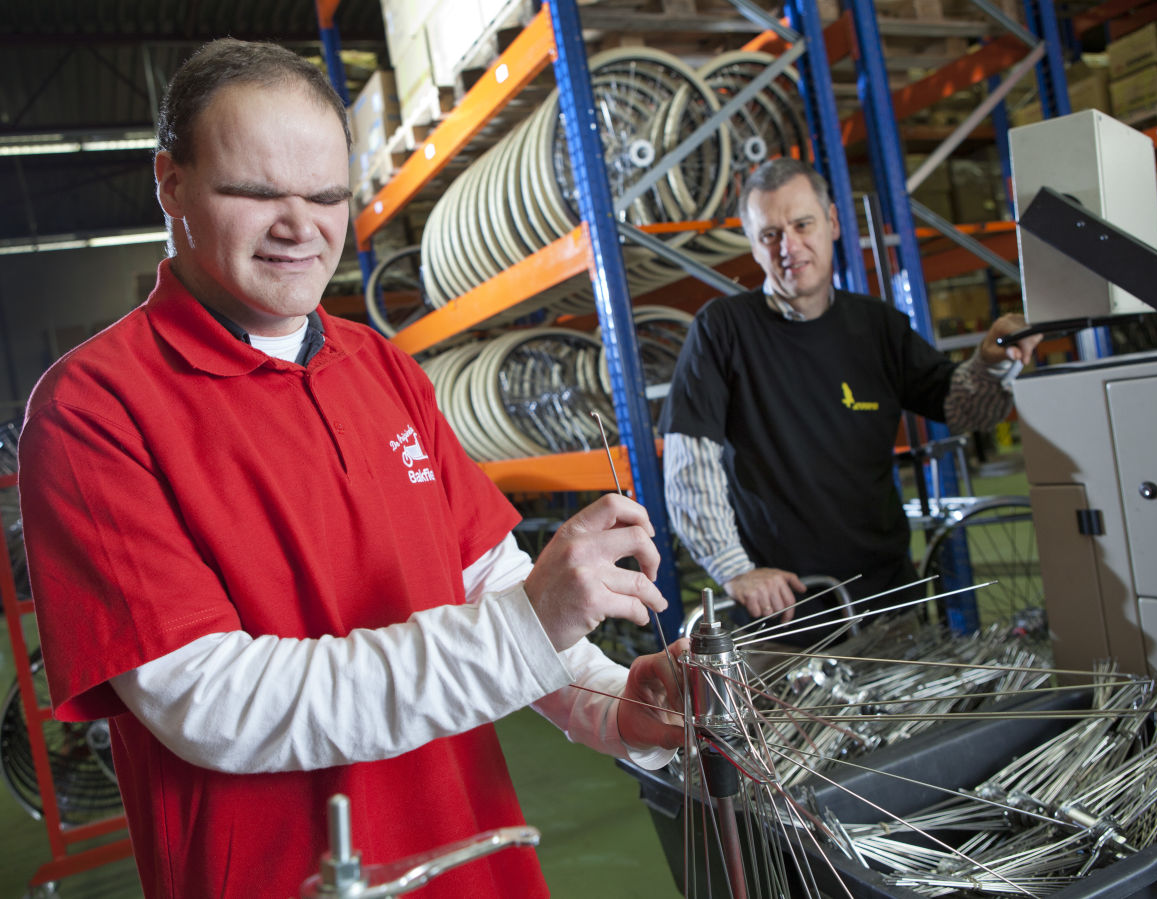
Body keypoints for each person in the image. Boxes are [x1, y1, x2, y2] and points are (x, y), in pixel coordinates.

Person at [17, 39, 687, 899]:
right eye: (255, 192)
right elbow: (214, 704)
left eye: (328, 194)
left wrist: (611, 703)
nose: (302, 226)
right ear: (170, 183)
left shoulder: (378, 365)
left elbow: (488, 581)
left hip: (472, 862)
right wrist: (526, 626)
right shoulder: (93, 412)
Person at [659, 157, 1042, 629]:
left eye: (803, 225)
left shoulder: (877, 326)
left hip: (888, 600)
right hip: (784, 612)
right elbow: (689, 459)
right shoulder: (723, 330)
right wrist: (734, 569)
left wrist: (992, 361)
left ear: (833, 223)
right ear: (755, 247)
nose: (789, 247)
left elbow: (962, 409)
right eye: (770, 235)